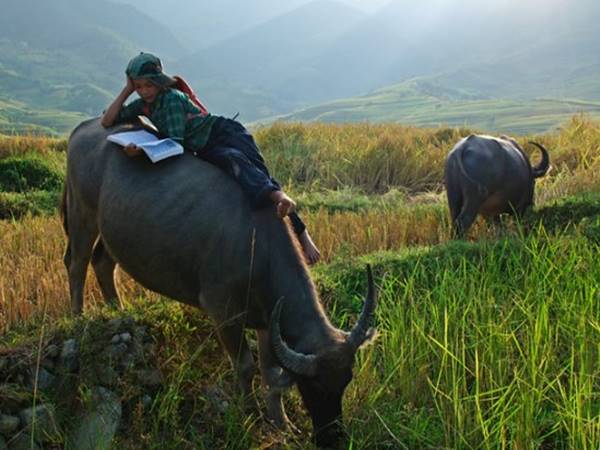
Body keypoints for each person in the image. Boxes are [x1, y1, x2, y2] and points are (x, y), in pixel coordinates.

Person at [101, 52, 321, 264]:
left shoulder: (171, 100)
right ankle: (280, 206)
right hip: (205, 146)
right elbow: (107, 121)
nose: (144, 91)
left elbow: (176, 143)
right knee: (237, 164)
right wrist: (126, 90)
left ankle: (297, 226)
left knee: (251, 171)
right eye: (139, 87)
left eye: (148, 85)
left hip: (225, 133)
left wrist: (141, 151)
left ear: (159, 83)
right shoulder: (144, 105)